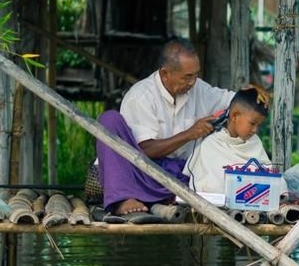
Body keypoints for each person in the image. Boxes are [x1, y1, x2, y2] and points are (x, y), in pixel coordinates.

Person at [96, 37, 237, 217]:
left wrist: (251, 94)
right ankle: (123, 198)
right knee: (109, 120)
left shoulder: (197, 88)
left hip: (177, 177)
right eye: (187, 76)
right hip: (141, 173)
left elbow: (229, 100)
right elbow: (144, 150)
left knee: (207, 170)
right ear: (165, 74)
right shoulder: (141, 96)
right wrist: (190, 134)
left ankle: (166, 197)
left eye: (196, 74)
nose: (193, 82)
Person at [183, 87, 277, 194]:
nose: (255, 130)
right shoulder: (211, 145)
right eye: (252, 124)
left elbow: (269, 175)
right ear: (234, 116)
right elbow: (206, 185)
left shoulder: (255, 143)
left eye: (258, 125)